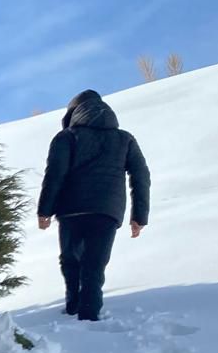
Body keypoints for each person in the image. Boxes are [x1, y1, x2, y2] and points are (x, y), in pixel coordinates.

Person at [36, 89, 151, 321]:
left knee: (70, 260)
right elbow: (141, 176)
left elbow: (54, 174)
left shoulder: (67, 137)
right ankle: (88, 316)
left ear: (73, 114)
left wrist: (44, 210)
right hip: (106, 211)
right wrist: (139, 215)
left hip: (71, 209)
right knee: (95, 264)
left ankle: (73, 308)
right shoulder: (125, 138)